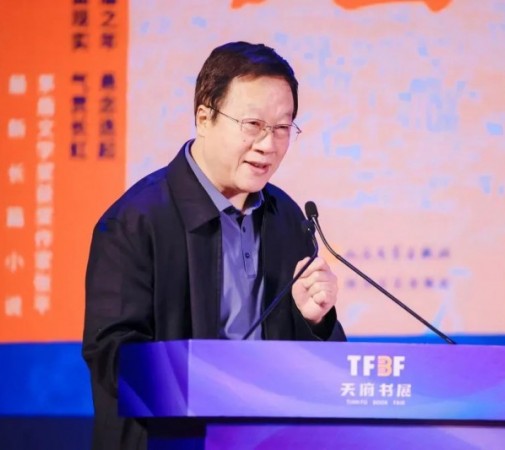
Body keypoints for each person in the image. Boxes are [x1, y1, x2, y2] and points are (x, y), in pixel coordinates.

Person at [82, 41, 346, 450]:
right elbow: (113, 359)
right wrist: (214, 381)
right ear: (204, 118)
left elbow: (311, 375)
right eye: (253, 124)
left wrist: (315, 324)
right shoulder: (135, 222)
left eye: (282, 127)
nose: (269, 144)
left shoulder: (287, 219)